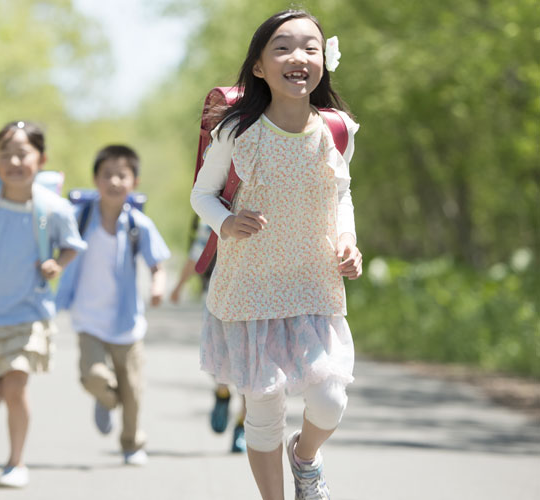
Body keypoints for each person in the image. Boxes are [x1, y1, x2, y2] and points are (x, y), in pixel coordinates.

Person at [190, 9, 363, 500]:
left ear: (324, 61)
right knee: (263, 408)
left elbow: (341, 193)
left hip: (314, 285)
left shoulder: (337, 129)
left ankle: (305, 457)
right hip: (249, 288)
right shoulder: (237, 131)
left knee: (330, 399)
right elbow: (202, 194)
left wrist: (347, 241)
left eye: (310, 47)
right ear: (259, 66)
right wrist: (226, 222)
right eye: (282, 48)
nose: (297, 57)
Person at [0, 120, 86, 488]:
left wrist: (57, 264)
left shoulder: (53, 208)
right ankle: (11, 449)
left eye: (22, 153)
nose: (13, 161)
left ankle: (16, 463)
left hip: (27, 312)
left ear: (41, 159)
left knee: (15, 389)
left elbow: (72, 246)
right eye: (5, 154)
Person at [56, 145, 170, 466]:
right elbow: (52, 237)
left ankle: (132, 444)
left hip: (126, 321)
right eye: (107, 174)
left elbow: (157, 264)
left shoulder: (137, 224)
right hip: (88, 318)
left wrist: (158, 286)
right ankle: (106, 398)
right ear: (96, 179)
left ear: (134, 182)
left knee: (133, 390)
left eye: (122, 175)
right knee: (92, 376)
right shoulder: (79, 218)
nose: (114, 181)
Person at [170, 215, 247, 453]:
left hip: (256, 302)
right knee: (219, 359)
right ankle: (222, 392)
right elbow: (198, 254)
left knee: (251, 369)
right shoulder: (217, 209)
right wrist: (179, 286)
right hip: (218, 302)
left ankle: (242, 427)